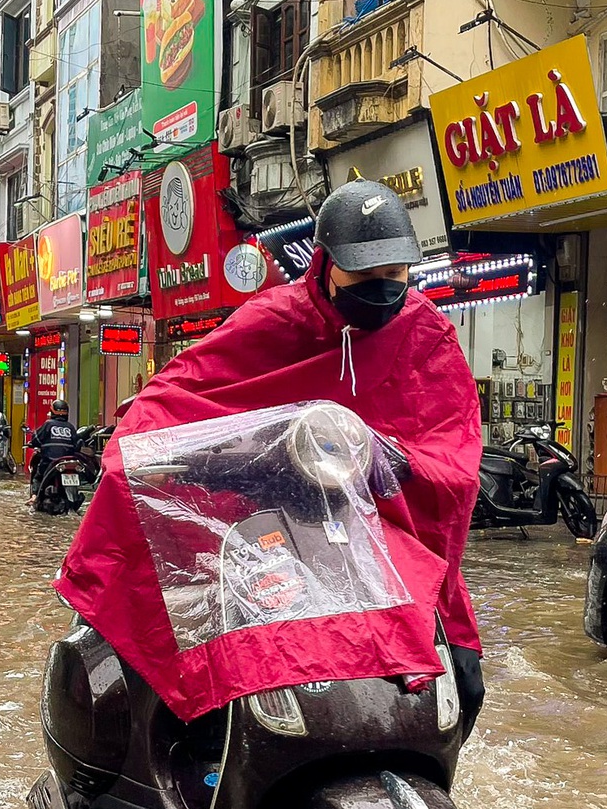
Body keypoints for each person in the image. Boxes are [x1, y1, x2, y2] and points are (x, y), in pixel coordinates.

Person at [54, 178, 486, 731]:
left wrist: (390, 461)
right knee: (193, 683)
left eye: (393, 274)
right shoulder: (274, 320)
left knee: (460, 684)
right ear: (326, 262)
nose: (381, 287)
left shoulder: (427, 337)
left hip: (378, 543)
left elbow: (453, 458)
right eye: (364, 273)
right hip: (269, 536)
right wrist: (137, 456)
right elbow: (181, 392)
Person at [28, 399, 80, 499]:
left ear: (52, 412)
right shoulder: (71, 427)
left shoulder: (48, 424)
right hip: (68, 461)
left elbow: (36, 439)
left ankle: (34, 497)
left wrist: (32, 444)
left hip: (50, 461)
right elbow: (77, 444)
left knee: (38, 476)